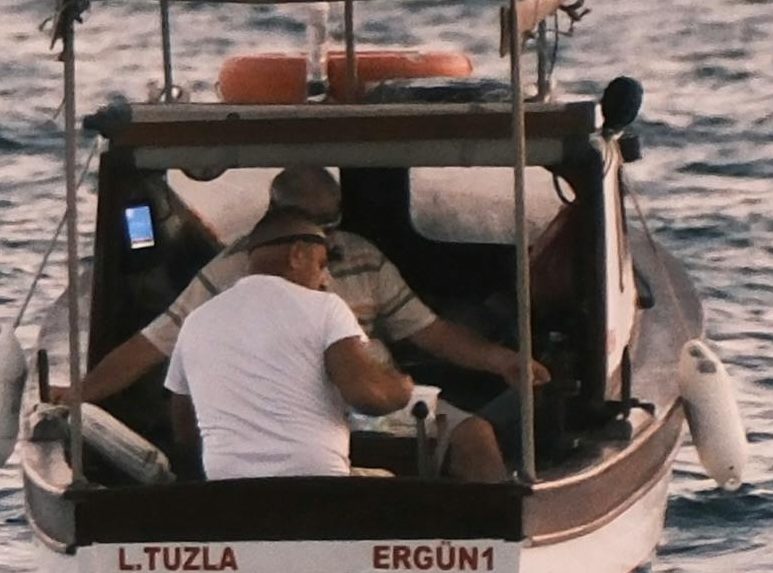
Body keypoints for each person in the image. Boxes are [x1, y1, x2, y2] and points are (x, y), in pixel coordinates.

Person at [66, 165, 518, 482]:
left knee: (475, 435)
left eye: (331, 223)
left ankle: (489, 553)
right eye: (314, 226)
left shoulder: (362, 256)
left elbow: (429, 330)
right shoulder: (226, 277)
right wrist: (79, 395)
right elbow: (152, 346)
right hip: (287, 409)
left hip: (370, 402)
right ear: (283, 222)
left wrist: (502, 361)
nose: (327, 239)